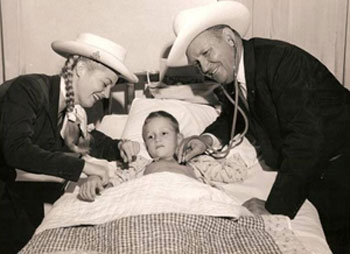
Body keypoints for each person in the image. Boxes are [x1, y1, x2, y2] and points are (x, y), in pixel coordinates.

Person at [165, 1, 350, 253]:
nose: (205, 68)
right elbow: (236, 115)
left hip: (341, 165)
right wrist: (206, 139)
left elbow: (307, 140)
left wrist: (275, 208)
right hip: (316, 170)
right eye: (197, 63)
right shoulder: (236, 73)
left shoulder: (281, 62)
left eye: (207, 53)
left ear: (229, 38)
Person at [0, 33, 140, 253]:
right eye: (105, 84)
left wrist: (119, 146)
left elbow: (87, 142)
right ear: (81, 69)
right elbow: (17, 150)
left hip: (17, 195)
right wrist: (82, 166)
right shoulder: (29, 88)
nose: (106, 95)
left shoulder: (71, 110)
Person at [79, 110, 248, 201]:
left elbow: (233, 173)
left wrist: (230, 153)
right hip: (151, 202)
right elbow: (116, 182)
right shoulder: (139, 165)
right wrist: (95, 182)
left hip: (191, 203)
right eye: (150, 137)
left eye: (164, 133)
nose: (157, 139)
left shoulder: (196, 162)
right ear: (146, 146)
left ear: (180, 138)